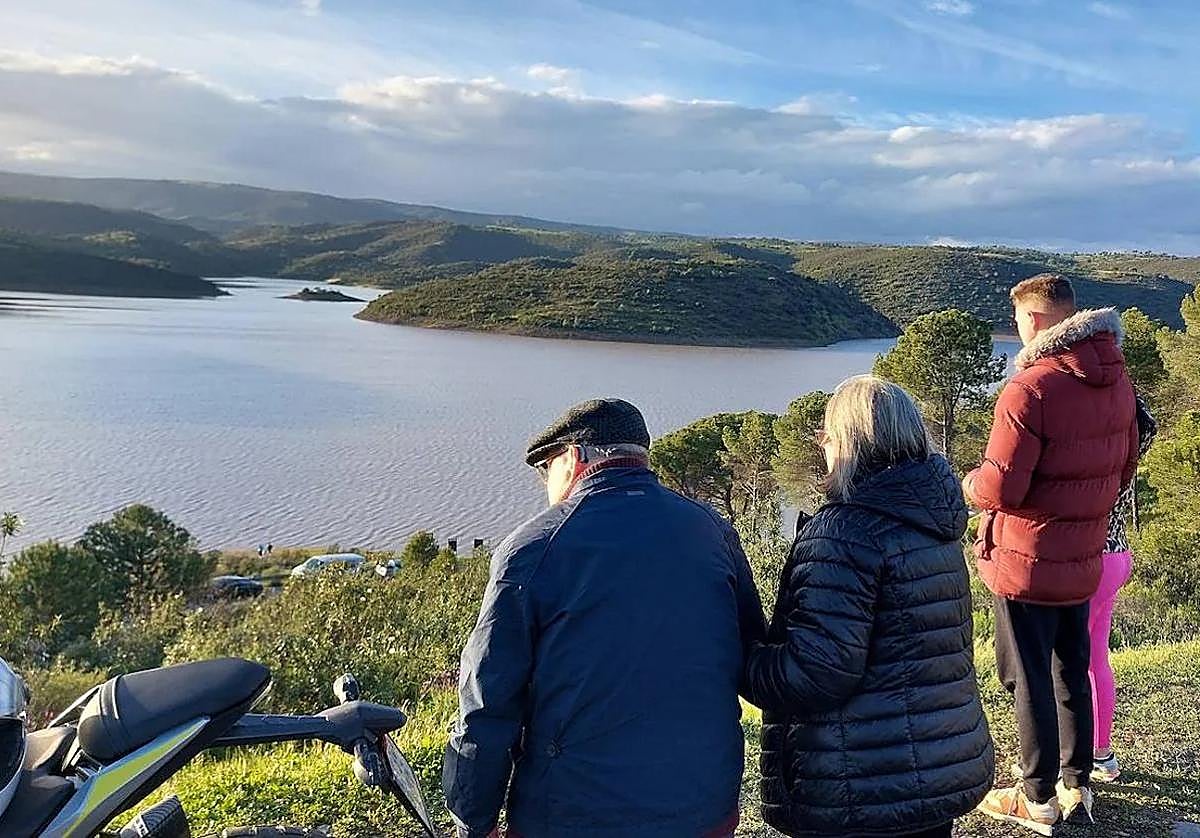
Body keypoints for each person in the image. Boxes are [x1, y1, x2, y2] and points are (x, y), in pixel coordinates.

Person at [443, 398, 765, 838]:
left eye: (548, 467)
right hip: (705, 805)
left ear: (574, 457)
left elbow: (488, 702)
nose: (547, 485)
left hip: (575, 815)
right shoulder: (713, 530)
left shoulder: (533, 549)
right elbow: (753, 659)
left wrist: (473, 819)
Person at [744, 375, 994, 838]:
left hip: (857, 784)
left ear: (846, 442)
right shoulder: (932, 523)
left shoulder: (844, 532)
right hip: (936, 769)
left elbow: (817, 674)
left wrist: (744, 657)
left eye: (828, 435)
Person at [965, 274, 1138, 834]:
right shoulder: (1117, 381)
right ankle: (1076, 784)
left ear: (1035, 321)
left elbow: (1003, 488)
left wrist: (970, 484)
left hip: (1026, 560)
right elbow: (1124, 468)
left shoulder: (1030, 389)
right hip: (1084, 552)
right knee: (1073, 669)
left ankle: (1035, 795)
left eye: (1016, 321)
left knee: (1027, 676)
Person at [1090, 396, 1156, 783]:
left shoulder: (1098, 453)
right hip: (1117, 555)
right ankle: (1101, 752)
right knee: (1096, 658)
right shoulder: (1131, 444)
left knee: (1070, 662)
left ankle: (1078, 754)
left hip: (1090, 561)